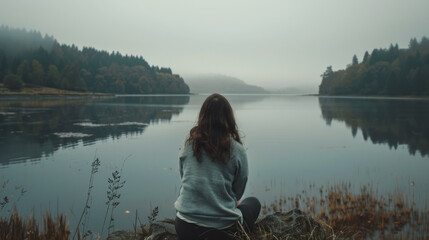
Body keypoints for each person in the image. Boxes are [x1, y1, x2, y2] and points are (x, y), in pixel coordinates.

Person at [174, 93, 261, 240]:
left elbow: (184, 178)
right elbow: (238, 191)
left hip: (184, 227)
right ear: (229, 118)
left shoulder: (189, 145)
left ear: (203, 117)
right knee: (253, 203)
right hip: (222, 230)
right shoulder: (237, 150)